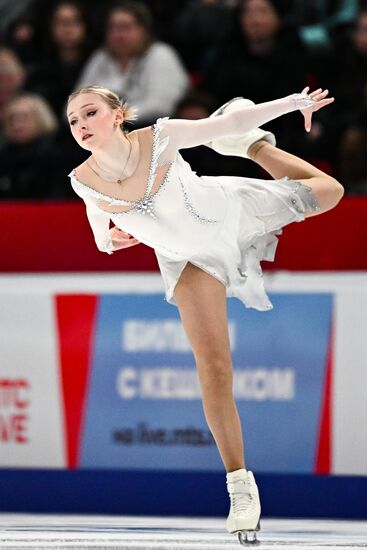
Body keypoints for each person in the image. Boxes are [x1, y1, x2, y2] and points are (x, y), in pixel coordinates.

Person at [66, 84, 343, 543]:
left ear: (118, 115)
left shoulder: (161, 136)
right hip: (187, 259)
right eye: (74, 120)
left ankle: (252, 149)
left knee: (329, 191)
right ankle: (240, 487)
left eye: (90, 113)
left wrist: (292, 104)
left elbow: (227, 120)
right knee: (214, 368)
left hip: (225, 211)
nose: (81, 126)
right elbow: (100, 232)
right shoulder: (82, 181)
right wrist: (109, 241)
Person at [74, 1, 189, 126]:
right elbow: (75, 104)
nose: (119, 35)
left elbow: (161, 107)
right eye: (113, 28)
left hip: (152, 131)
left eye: (126, 27)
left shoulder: (160, 55)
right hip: (102, 133)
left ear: (143, 30)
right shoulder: (101, 58)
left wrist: (113, 116)